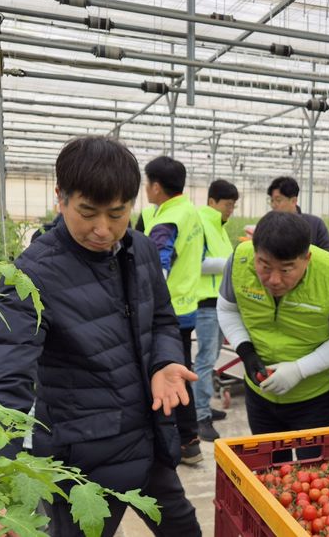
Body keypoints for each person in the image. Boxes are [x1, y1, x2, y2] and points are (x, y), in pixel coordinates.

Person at [0, 136, 202, 536]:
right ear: (60, 199)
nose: (103, 230)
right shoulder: (31, 275)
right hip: (84, 460)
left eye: (117, 213)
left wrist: (164, 362)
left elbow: (163, 321)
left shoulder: (140, 249)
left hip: (150, 439)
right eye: (88, 212)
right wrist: (0, 488)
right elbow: (4, 385)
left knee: (185, 528)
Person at [217, 211, 329, 462]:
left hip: (315, 398)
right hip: (260, 393)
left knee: (314, 474)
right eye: (264, 266)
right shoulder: (239, 262)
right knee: (270, 471)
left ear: (306, 258)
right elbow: (227, 307)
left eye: (287, 270)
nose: (274, 280)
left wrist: (299, 369)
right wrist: (246, 352)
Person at [137, 156, 204, 463]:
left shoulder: (169, 218)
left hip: (164, 312)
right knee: (180, 372)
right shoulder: (189, 211)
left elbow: (158, 264)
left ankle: (179, 442)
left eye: (147, 183)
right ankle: (190, 442)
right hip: (186, 305)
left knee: (166, 376)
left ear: (156, 186)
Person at [193, 179, 239, 441]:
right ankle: (200, 417)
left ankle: (204, 406)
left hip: (218, 302)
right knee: (205, 361)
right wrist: (231, 263)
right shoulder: (202, 222)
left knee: (210, 359)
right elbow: (196, 262)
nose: (230, 209)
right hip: (205, 303)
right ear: (212, 202)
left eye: (233, 205)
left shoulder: (218, 227)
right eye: (227, 204)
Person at [267, 176, 329, 253]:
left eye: (278, 200)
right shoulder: (268, 225)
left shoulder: (315, 224)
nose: (273, 205)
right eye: (272, 200)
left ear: (294, 201)